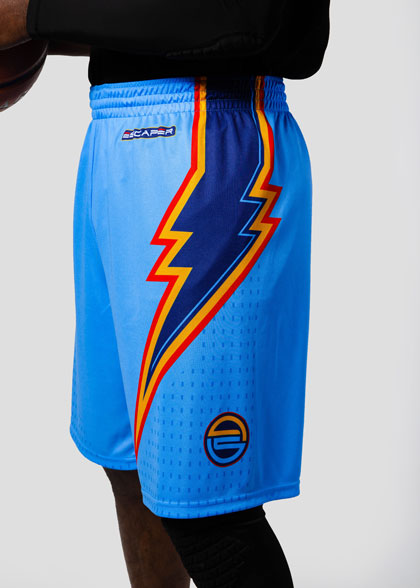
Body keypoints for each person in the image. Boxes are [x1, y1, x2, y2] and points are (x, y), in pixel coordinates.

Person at [0, 1, 330, 586]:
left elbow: (269, 18)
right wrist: (45, 26)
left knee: (211, 516)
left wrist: (35, 11)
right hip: (115, 130)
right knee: (129, 464)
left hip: (207, 147)